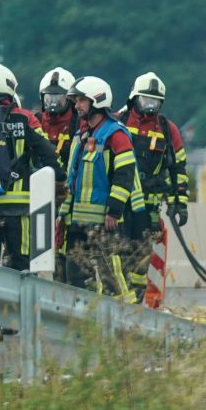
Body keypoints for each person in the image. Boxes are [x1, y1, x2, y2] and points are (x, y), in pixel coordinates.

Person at [60, 76, 147, 300]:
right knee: (75, 276)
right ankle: (85, 322)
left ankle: (127, 321)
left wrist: (114, 211)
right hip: (78, 221)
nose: (76, 105)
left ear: (97, 101)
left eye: (81, 100)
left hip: (104, 221)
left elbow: (125, 174)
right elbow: (74, 179)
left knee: (112, 277)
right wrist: (63, 215)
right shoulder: (82, 135)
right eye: (76, 100)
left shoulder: (115, 135)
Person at [0, 62, 66, 271]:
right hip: (19, 208)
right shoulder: (25, 118)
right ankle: (19, 304)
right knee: (22, 265)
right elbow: (49, 155)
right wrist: (60, 179)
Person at [117, 72, 190, 234]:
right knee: (115, 252)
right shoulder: (118, 123)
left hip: (148, 208)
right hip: (119, 205)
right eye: (146, 100)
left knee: (141, 255)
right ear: (135, 98)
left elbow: (178, 169)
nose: (150, 106)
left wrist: (179, 202)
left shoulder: (168, 130)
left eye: (155, 102)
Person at [34, 66, 79, 279]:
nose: (52, 103)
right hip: (39, 194)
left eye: (58, 98)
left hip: (68, 195)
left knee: (66, 247)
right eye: (49, 98)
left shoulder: (78, 124)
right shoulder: (35, 121)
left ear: (69, 100)